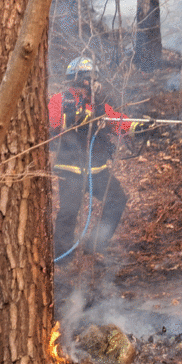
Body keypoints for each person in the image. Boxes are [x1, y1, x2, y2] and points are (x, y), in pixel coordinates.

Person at [48, 56, 153, 259]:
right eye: (90, 78)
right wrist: (77, 118)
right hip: (70, 170)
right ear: (79, 79)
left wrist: (138, 127)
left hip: (96, 170)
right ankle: (62, 257)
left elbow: (118, 121)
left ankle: (96, 243)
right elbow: (54, 126)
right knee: (69, 213)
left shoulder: (99, 105)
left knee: (116, 199)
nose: (95, 82)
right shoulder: (60, 100)